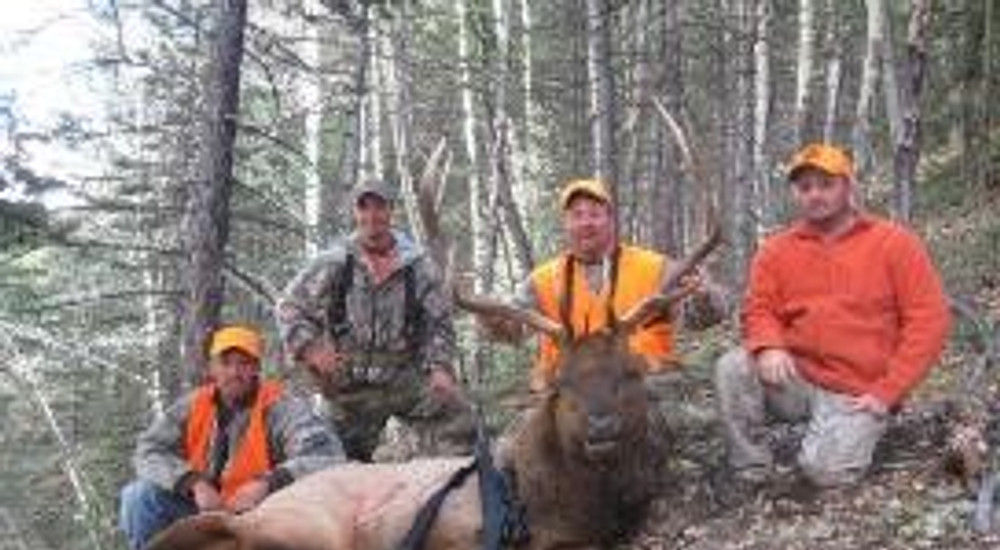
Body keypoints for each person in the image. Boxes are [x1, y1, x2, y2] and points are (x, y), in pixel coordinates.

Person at [714, 143, 951, 489]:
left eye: (826, 184)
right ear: (795, 194)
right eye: (805, 187)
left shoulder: (894, 243)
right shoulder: (776, 250)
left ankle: (850, 434)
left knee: (824, 473)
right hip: (799, 377)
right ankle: (750, 471)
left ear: (848, 187)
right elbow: (759, 307)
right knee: (733, 367)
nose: (815, 195)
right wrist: (767, 346)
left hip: (859, 390)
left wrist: (889, 391)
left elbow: (929, 321)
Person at [275, 177, 476, 462]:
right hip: (348, 388)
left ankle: (443, 486)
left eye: (379, 207)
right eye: (364, 207)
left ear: (390, 211)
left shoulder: (418, 266)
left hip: (403, 379)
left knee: (461, 421)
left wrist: (440, 367)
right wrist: (310, 348)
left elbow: (439, 324)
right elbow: (288, 306)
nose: (372, 216)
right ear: (355, 213)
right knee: (325, 461)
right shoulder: (334, 262)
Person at [480, 177, 727, 391]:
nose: (586, 223)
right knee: (512, 445)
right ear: (566, 224)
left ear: (610, 219)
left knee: (682, 430)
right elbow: (511, 332)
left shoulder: (655, 268)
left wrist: (703, 297)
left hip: (644, 384)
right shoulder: (542, 280)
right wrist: (492, 321)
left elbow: (705, 319)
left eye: (595, 214)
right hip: (565, 391)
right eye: (577, 215)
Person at [119, 325, 344, 550]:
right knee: (138, 498)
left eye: (244, 363)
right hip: (202, 512)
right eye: (225, 363)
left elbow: (326, 456)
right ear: (212, 368)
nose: (234, 372)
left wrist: (268, 483)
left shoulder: (282, 407)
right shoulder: (193, 406)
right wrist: (192, 483)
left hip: (262, 519)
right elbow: (148, 450)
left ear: (256, 368)